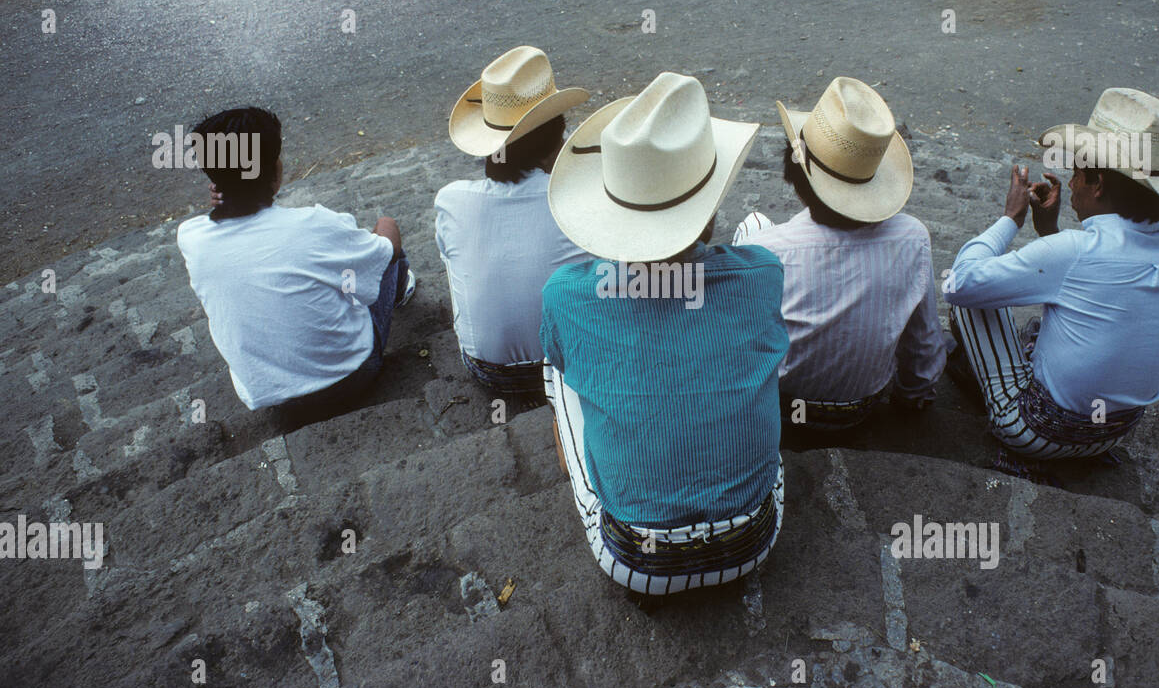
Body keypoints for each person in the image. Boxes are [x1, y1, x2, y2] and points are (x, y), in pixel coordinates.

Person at [541, 72, 788, 596]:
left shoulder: (566, 293)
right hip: (754, 543)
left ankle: (592, 462)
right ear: (709, 207)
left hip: (634, 559)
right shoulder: (763, 273)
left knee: (558, 370)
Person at [944, 88, 1159, 471]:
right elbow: (1101, 285)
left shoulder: (1075, 251)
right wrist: (1050, 233)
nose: (1069, 185)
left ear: (1098, 183)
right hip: (1115, 432)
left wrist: (1010, 219)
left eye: (1078, 175)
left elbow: (959, 284)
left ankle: (997, 400)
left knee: (975, 302)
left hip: (1039, 434)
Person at [734, 77, 945, 431]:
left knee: (753, 224)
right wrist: (913, 394)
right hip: (859, 411)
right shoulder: (913, 238)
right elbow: (923, 342)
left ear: (798, 181)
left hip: (783, 411)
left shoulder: (768, 250)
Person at [177, 106, 414, 414]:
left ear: (215, 181)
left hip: (272, 400)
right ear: (276, 170)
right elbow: (388, 249)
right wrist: (387, 227)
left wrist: (231, 189)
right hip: (351, 378)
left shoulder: (190, 237)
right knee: (384, 232)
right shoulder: (314, 225)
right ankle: (400, 292)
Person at [438, 46, 591, 397]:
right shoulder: (578, 204)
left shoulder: (452, 200)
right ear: (557, 140)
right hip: (569, 365)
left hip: (489, 372)